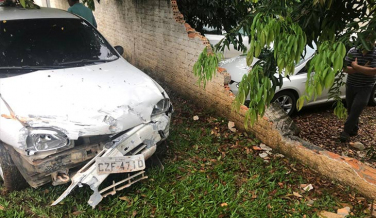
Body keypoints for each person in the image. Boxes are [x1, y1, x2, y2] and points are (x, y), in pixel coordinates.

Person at [341, 45, 376, 142]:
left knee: (357, 107)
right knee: (351, 109)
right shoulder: (353, 51)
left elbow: (373, 71)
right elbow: (345, 69)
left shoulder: (374, 53)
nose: (370, 41)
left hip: (366, 87)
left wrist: (355, 66)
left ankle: (346, 132)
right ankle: (354, 129)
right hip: (351, 85)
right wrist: (362, 68)